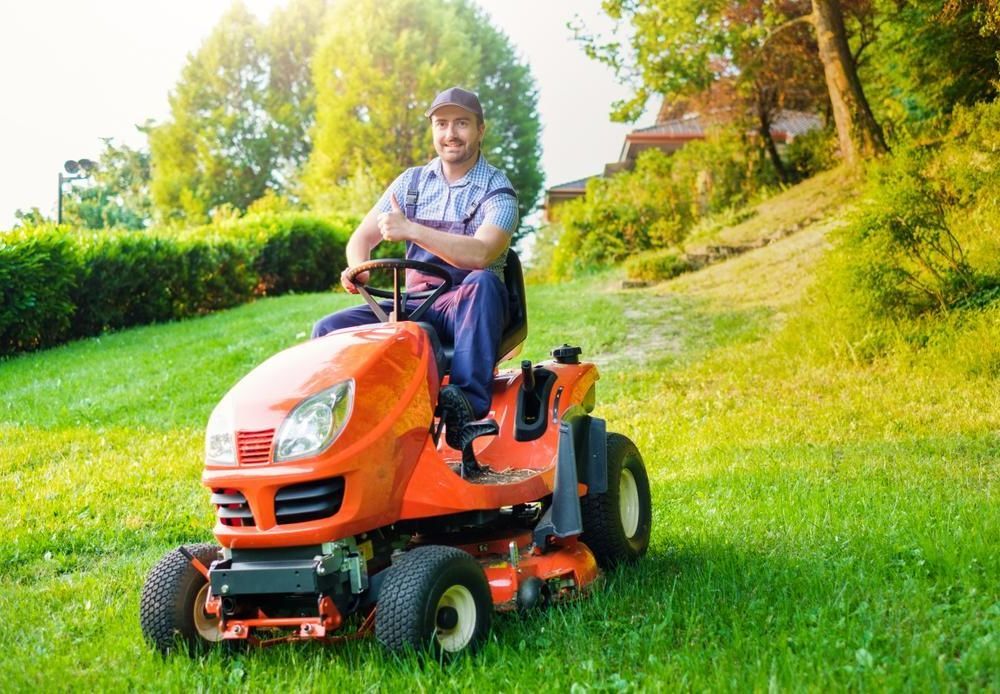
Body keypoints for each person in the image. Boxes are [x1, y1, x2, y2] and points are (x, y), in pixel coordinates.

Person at [312, 86, 519, 448]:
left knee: (483, 283)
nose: (450, 134)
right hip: (414, 303)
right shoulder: (410, 183)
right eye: (441, 124)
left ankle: (465, 411)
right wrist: (357, 267)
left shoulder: (497, 190)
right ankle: (334, 428)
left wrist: (411, 230)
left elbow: (481, 253)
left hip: (466, 304)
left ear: (480, 129)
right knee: (328, 329)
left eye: (461, 124)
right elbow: (360, 240)